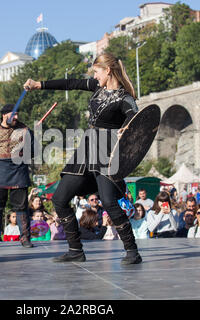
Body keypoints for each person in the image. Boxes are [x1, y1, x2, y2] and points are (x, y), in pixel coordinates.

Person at [23, 52, 142, 264]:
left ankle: (132, 251)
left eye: (97, 72)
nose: (94, 76)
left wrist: (127, 129)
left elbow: (136, 117)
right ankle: (75, 250)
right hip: (87, 149)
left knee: (108, 201)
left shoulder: (125, 98)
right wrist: (39, 84)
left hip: (108, 152)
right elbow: (71, 83)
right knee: (59, 199)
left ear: (108, 70)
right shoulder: (97, 88)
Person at [0, 104, 35, 249]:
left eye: (17, 114)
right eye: (13, 114)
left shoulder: (25, 130)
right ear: (4, 115)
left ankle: (25, 238)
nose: (16, 117)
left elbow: (33, 153)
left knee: (21, 207)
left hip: (19, 172)